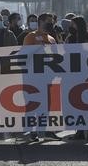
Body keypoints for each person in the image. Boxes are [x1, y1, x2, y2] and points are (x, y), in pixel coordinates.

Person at [22, 13, 61, 141]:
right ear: (41, 22)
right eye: (49, 21)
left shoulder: (51, 38)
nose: (51, 23)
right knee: (32, 104)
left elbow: (56, 57)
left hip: (47, 77)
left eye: (52, 21)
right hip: (32, 78)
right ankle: (31, 132)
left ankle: (44, 131)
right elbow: (24, 55)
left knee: (45, 105)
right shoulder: (31, 36)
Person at [64, 16, 88, 141]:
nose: (71, 27)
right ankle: (79, 131)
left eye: (73, 25)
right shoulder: (69, 39)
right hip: (74, 76)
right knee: (77, 104)